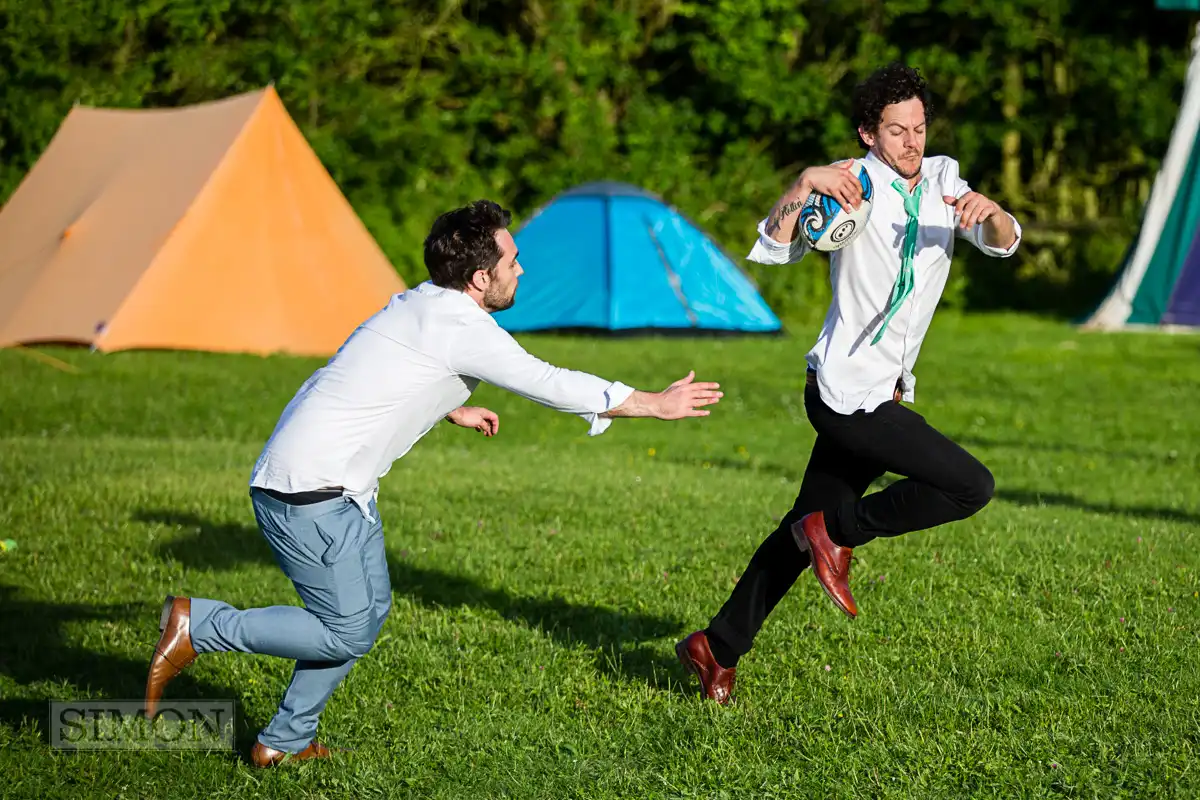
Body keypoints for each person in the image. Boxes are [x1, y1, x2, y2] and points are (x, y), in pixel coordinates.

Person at [143, 199, 723, 764]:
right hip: (307, 494)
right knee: (345, 631)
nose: (521, 269)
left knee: (366, 615)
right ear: (479, 277)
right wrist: (654, 404)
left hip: (338, 488)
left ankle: (287, 739)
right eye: (512, 260)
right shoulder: (463, 328)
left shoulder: (420, 305)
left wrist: (451, 408)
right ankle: (201, 626)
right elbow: (550, 382)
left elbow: (383, 366)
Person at [675, 62, 1022, 704]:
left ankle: (715, 647)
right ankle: (840, 531)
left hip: (886, 390)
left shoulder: (945, 178)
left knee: (797, 529)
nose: (912, 142)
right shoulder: (849, 184)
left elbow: (1003, 241)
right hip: (842, 392)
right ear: (868, 133)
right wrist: (806, 182)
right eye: (896, 131)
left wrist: (993, 212)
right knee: (969, 484)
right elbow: (775, 245)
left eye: (919, 127)